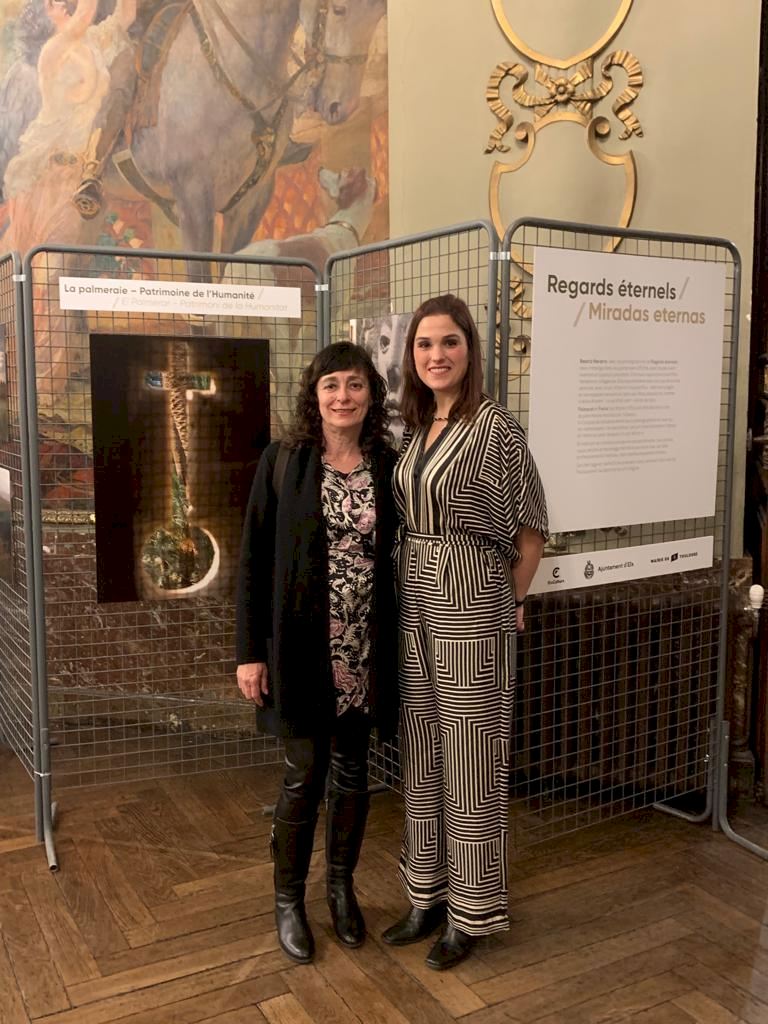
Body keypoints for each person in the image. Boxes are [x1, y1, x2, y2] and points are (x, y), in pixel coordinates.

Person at [381, 294, 548, 971]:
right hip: (413, 603)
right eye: (424, 344)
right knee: (421, 748)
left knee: (472, 758)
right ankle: (426, 894)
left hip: (470, 604)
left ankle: (470, 911)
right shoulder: (416, 425)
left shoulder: (495, 427)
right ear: (411, 355)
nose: (436, 355)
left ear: (470, 350)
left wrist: (510, 601)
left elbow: (531, 533)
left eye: (449, 342)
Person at [236, 342, 399, 965]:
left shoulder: (388, 465)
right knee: (304, 776)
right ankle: (288, 900)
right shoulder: (284, 460)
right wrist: (249, 653)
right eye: (331, 385)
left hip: (364, 650)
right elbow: (253, 559)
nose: (343, 396)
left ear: (370, 395)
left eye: (355, 384)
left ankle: (340, 889)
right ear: (315, 394)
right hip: (302, 650)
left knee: (354, 775)